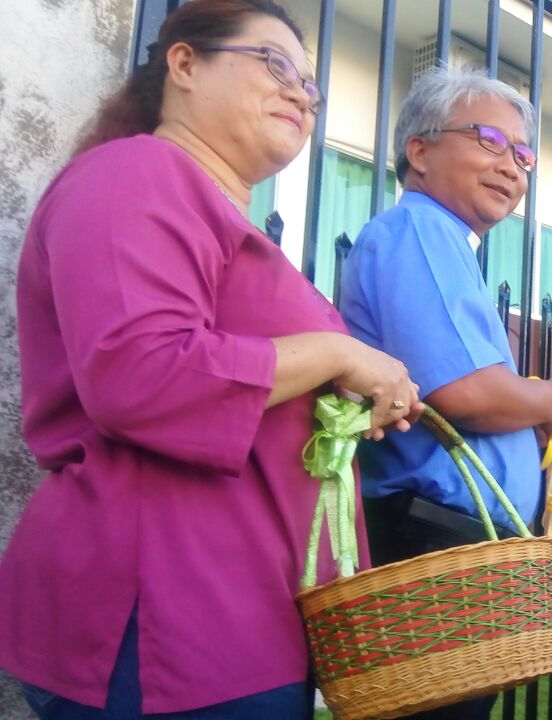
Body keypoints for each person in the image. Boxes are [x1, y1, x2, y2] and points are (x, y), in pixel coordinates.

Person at [0, 1, 426, 718]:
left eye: (312, 85)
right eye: (276, 65)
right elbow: (140, 373)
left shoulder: (216, 213)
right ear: (185, 64)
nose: (301, 93)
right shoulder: (136, 173)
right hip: (167, 620)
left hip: (243, 618)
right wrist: (335, 352)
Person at [338, 66, 552, 720]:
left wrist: (525, 408)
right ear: (418, 150)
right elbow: (467, 393)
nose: (511, 165)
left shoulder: (446, 242)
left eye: (523, 153)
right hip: (431, 542)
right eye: (487, 139)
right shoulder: (419, 231)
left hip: (455, 542)